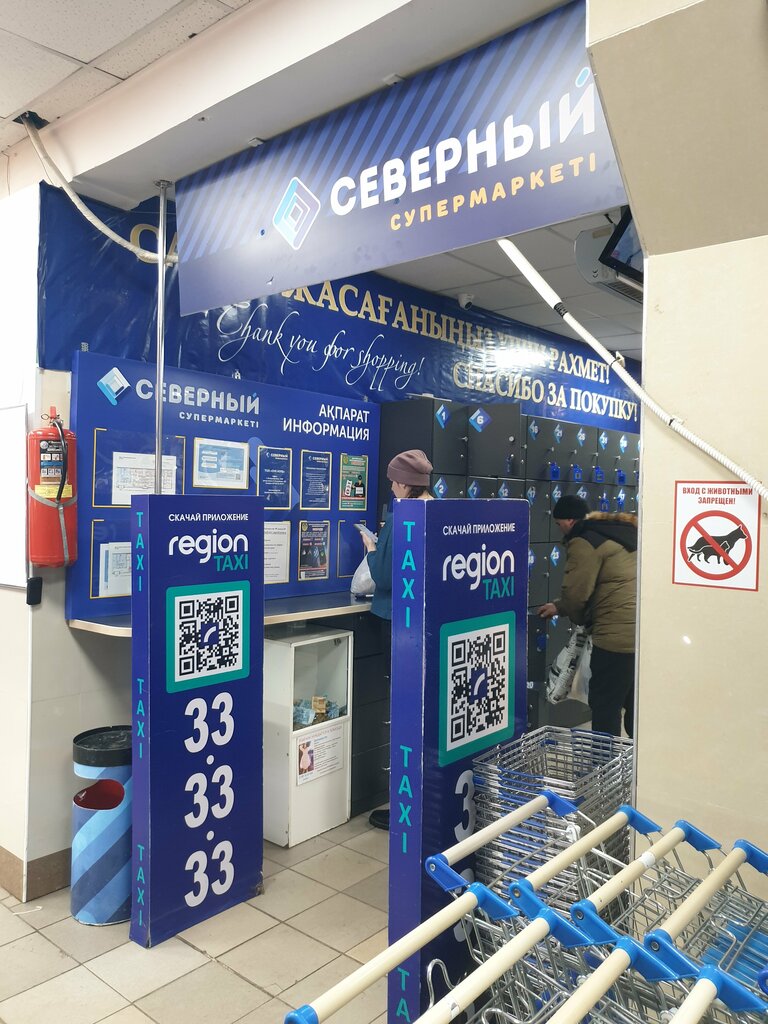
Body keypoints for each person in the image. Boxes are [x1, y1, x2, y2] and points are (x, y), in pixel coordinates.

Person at [360, 449, 434, 828]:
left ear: (405, 484)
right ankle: (425, 800)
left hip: (398, 624)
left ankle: (405, 808)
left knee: (405, 714)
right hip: (427, 625)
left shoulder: (402, 516)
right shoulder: (439, 511)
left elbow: (386, 576)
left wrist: (373, 548)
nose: (391, 487)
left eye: (393, 481)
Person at [538, 494, 638, 737]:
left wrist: (572, 613)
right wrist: (560, 607)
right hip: (639, 633)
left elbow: (576, 594)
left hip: (614, 636)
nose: (559, 529)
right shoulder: (619, 533)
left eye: (558, 523)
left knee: (605, 704)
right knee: (634, 703)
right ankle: (640, 757)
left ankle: (604, 758)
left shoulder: (585, 540)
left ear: (569, 521)